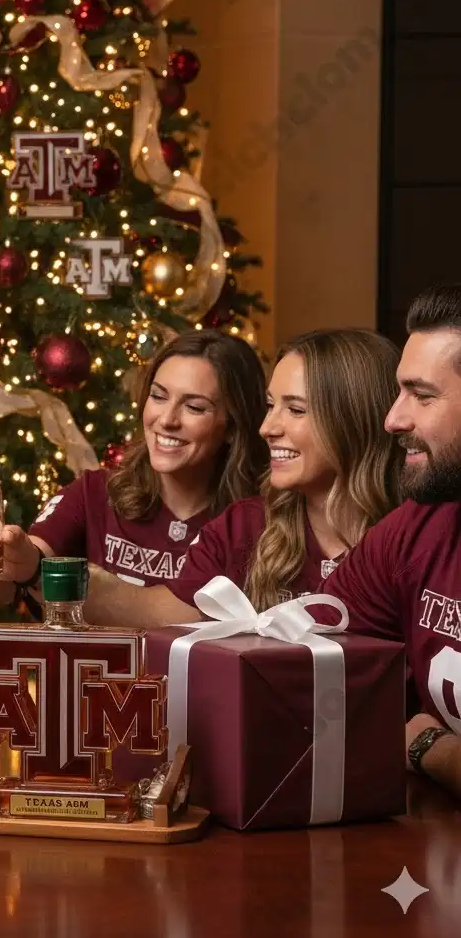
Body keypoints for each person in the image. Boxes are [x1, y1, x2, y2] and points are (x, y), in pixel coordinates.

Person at [78, 328, 403, 627]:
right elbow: (159, 614)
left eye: (296, 409)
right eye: (270, 405)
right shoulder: (241, 526)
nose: (267, 429)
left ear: (356, 423)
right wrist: (39, 570)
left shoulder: (417, 542)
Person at [0, 331, 268, 609]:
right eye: (158, 396)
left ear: (233, 427)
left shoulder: (253, 521)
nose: (167, 420)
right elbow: (7, 587)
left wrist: (32, 570)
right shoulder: (97, 491)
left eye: (194, 407)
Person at [320, 286, 461, 797]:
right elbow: (310, 664)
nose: (393, 419)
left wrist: (430, 745)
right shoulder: (417, 527)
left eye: (422, 396)